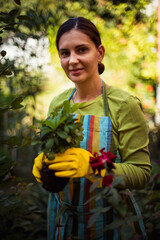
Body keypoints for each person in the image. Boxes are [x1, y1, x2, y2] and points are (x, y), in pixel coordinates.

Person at [32, 17, 152, 240]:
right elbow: (55, 157)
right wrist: (43, 163)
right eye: (65, 53)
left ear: (100, 53)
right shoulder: (58, 104)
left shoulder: (123, 104)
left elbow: (142, 172)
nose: (73, 60)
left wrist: (92, 166)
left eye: (81, 50)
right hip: (62, 225)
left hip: (109, 223)